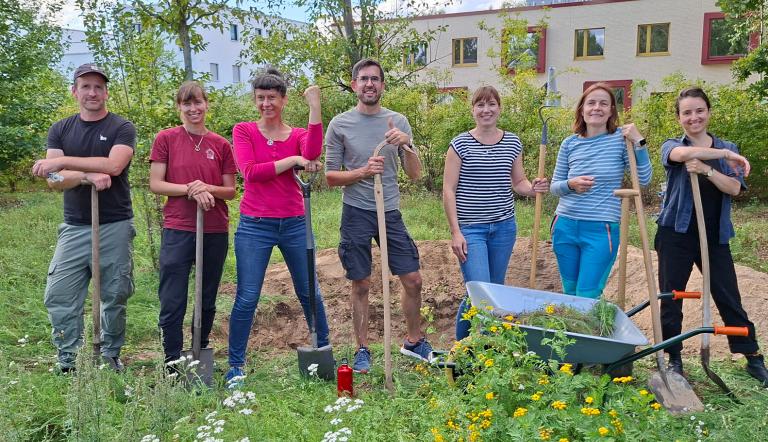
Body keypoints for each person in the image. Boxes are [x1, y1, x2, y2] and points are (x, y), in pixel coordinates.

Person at [655, 86, 768, 385]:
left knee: (728, 294)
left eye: (699, 110)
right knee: (672, 296)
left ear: (708, 112)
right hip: (675, 234)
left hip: (714, 235)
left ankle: (752, 356)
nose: (694, 117)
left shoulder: (727, 145)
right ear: (679, 117)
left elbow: (734, 188)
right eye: (687, 112)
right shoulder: (671, 145)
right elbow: (682, 154)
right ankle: (674, 358)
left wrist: (707, 170)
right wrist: (726, 155)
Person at [325, 58, 431, 374]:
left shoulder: (397, 121)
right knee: (361, 282)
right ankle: (362, 349)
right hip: (356, 212)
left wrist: (407, 145)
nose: (369, 84)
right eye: (363, 79)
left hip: (390, 210)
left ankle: (413, 341)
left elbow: (414, 175)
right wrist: (362, 171)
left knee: (412, 279)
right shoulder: (339, 124)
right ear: (354, 84)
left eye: (375, 79)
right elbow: (330, 177)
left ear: (382, 85)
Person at [226, 68, 330, 385]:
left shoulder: (298, 134)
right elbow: (250, 172)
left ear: (283, 100)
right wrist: (292, 161)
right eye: (261, 98)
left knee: (309, 292)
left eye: (272, 97)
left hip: (295, 223)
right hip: (255, 225)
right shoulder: (244, 131)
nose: (266, 103)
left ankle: (323, 351)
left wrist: (315, 109)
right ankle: (235, 366)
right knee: (247, 296)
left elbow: (311, 153)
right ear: (254, 100)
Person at [32, 63, 136, 373]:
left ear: (106, 92)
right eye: (86, 86)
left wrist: (65, 162)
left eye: (98, 87)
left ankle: (109, 355)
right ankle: (69, 361)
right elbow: (52, 179)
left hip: (114, 224)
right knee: (59, 294)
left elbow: (115, 166)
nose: (92, 92)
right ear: (74, 91)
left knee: (114, 294)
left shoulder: (122, 127)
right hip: (75, 226)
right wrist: (88, 173)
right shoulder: (61, 129)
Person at [443, 85, 549, 341]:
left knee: (493, 291)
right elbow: (448, 190)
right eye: (480, 105)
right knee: (480, 292)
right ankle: (466, 348)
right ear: (473, 110)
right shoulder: (460, 144)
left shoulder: (512, 142)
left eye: (491, 104)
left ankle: (484, 347)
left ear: (499, 108)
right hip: (471, 229)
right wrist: (456, 232)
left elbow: (518, 182)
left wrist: (534, 189)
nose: (486, 110)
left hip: (503, 228)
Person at [148, 81, 237, 367]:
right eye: (187, 104)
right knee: (172, 297)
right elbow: (156, 184)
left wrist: (205, 187)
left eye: (197, 102)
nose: (193, 109)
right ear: (179, 108)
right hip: (178, 228)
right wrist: (191, 188)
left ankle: (200, 350)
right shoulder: (166, 139)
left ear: (206, 104)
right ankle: (172, 359)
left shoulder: (221, 144)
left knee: (207, 294)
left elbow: (230, 191)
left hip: (213, 230)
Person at [549, 83, 652, 298]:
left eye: (604, 103)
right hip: (565, 226)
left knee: (587, 294)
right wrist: (571, 184)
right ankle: (568, 333)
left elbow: (642, 180)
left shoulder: (621, 141)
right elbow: (554, 187)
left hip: (601, 229)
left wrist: (639, 142)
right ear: (582, 109)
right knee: (569, 291)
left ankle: (589, 332)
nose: (597, 108)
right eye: (591, 103)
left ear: (611, 110)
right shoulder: (569, 144)